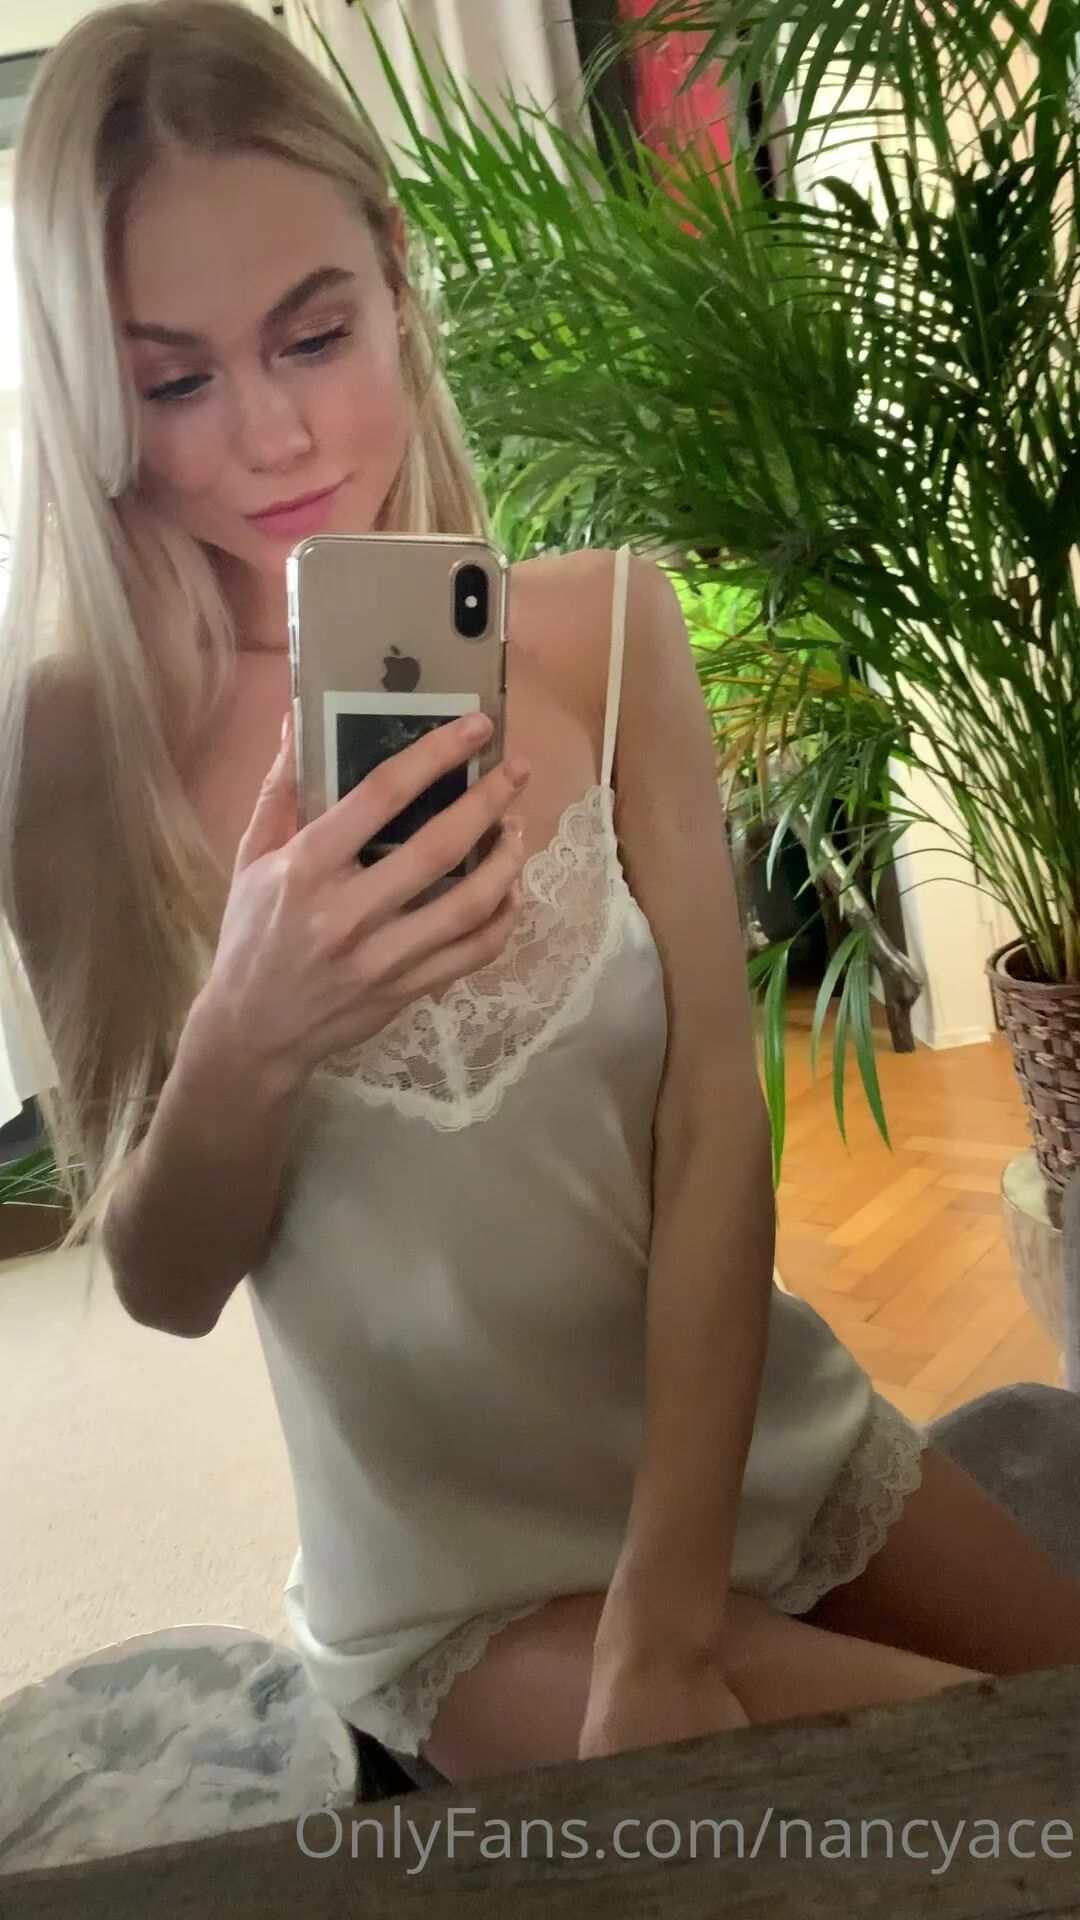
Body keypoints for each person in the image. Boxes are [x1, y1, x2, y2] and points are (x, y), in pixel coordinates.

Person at [4, 0, 1080, 1789]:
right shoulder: (69, 757)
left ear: (395, 279)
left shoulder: (609, 629)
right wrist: (253, 1025)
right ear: (95, 393)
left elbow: (715, 1125)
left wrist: (671, 1621)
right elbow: (165, 1281)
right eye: (173, 380)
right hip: (460, 1586)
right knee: (1005, 1810)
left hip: (763, 1439)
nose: (271, 434)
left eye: (315, 335)